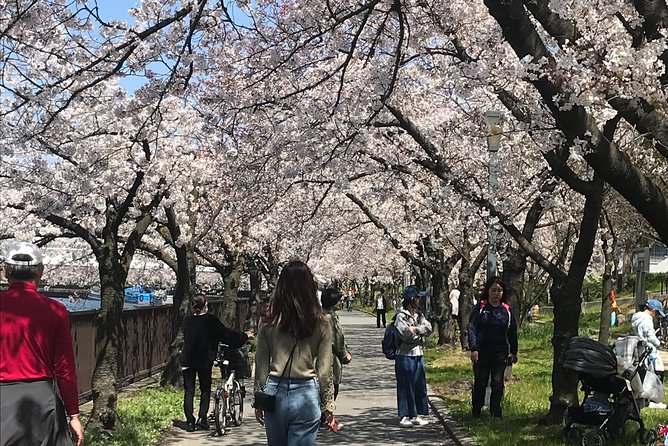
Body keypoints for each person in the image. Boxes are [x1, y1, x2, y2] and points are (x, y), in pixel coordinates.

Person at [0, 242, 84, 446]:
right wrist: (73, 414)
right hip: (42, 400)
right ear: (40, 272)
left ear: (4, 272)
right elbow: (65, 368)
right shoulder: (56, 310)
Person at [253, 260, 336, 445]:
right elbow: (324, 371)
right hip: (306, 392)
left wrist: (259, 399)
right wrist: (327, 404)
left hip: (275, 391)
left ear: (281, 287)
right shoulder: (321, 322)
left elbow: (261, 365)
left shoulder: (269, 320)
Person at [181, 294, 253, 432]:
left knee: (189, 390)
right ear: (205, 305)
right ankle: (202, 418)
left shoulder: (187, 319)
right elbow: (226, 335)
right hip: (204, 359)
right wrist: (244, 336)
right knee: (205, 389)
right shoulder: (210, 321)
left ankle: (190, 421)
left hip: (188, 359)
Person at [468, 276, 518, 419]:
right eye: (494, 290)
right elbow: (472, 328)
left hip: (500, 352)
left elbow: (512, 331)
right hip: (482, 351)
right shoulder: (481, 308)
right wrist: (473, 349)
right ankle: (476, 411)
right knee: (480, 382)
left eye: (500, 291)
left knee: (497, 383)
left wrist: (514, 351)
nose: (497, 293)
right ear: (488, 291)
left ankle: (496, 413)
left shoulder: (506, 310)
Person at [394, 285, 433, 428]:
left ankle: (415, 414)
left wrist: (416, 329)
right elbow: (406, 335)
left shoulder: (418, 315)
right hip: (404, 356)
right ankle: (404, 415)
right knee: (405, 385)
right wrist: (418, 333)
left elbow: (429, 328)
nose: (419, 300)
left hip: (418, 354)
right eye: (417, 297)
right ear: (411, 299)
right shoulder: (400, 316)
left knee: (418, 384)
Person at [320, 288, 352, 400]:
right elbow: (337, 340)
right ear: (332, 302)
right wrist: (345, 355)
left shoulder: (320, 314)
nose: (341, 302)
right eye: (339, 300)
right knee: (330, 393)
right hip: (330, 360)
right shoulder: (330, 318)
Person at [631, 299, 665, 382]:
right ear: (653, 310)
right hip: (649, 349)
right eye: (657, 313)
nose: (656, 316)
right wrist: (658, 343)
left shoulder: (636, 318)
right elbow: (650, 336)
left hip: (638, 348)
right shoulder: (647, 319)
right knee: (657, 371)